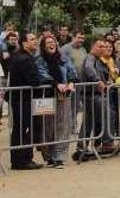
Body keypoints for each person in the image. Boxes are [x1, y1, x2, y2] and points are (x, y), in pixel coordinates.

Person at [35, 35, 77, 167]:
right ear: (43, 45)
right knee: (46, 127)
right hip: (46, 96)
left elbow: (72, 71)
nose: (51, 44)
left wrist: (70, 82)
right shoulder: (40, 60)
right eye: (48, 42)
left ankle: (59, 156)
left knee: (63, 126)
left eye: (53, 42)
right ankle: (49, 156)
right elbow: (41, 74)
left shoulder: (63, 58)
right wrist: (55, 83)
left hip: (63, 96)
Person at [7, 32, 44, 170]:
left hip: (21, 99)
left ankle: (19, 160)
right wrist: (44, 80)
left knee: (20, 129)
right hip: (24, 100)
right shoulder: (24, 59)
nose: (35, 41)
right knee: (25, 129)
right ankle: (23, 160)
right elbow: (34, 80)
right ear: (24, 43)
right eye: (32, 39)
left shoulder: (24, 57)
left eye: (36, 39)